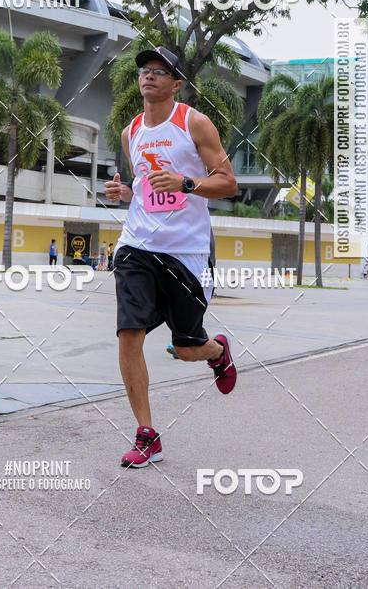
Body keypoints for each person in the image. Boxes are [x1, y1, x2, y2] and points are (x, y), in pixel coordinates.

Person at [104, 46, 238, 469]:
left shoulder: (193, 123)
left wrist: (186, 183)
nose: (149, 76)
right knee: (130, 334)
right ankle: (147, 435)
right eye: (145, 70)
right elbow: (145, 190)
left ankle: (216, 352)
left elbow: (229, 183)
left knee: (185, 348)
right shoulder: (131, 132)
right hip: (137, 245)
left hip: (187, 253)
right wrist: (126, 194)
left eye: (159, 72)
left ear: (175, 83)